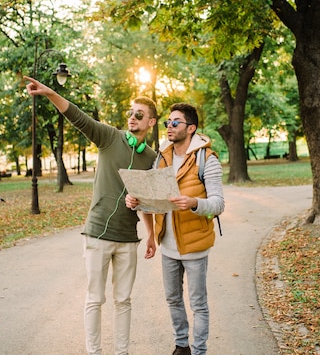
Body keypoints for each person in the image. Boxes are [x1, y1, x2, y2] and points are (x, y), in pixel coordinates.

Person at [24, 75, 158, 355]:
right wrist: (49, 93)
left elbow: (149, 200)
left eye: (139, 114)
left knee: (124, 300)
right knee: (95, 299)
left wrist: (151, 234)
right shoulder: (110, 137)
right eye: (130, 113)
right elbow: (78, 117)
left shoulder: (151, 158)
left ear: (151, 122)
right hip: (97, 234)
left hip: (127, 238)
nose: (132, 118)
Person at [125, 102, 225, 355]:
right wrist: (136, 200)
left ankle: (199, 350)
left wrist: (194, 203)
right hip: (167, 244)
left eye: (176, 122)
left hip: (195, 246)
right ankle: (182, 346)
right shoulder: (162, 157)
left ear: (190, 128)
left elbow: (218, 204)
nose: (169, 126)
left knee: (198, 304)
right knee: (173, 299)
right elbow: (152, 196)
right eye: (168, 122)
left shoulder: (206, 159)